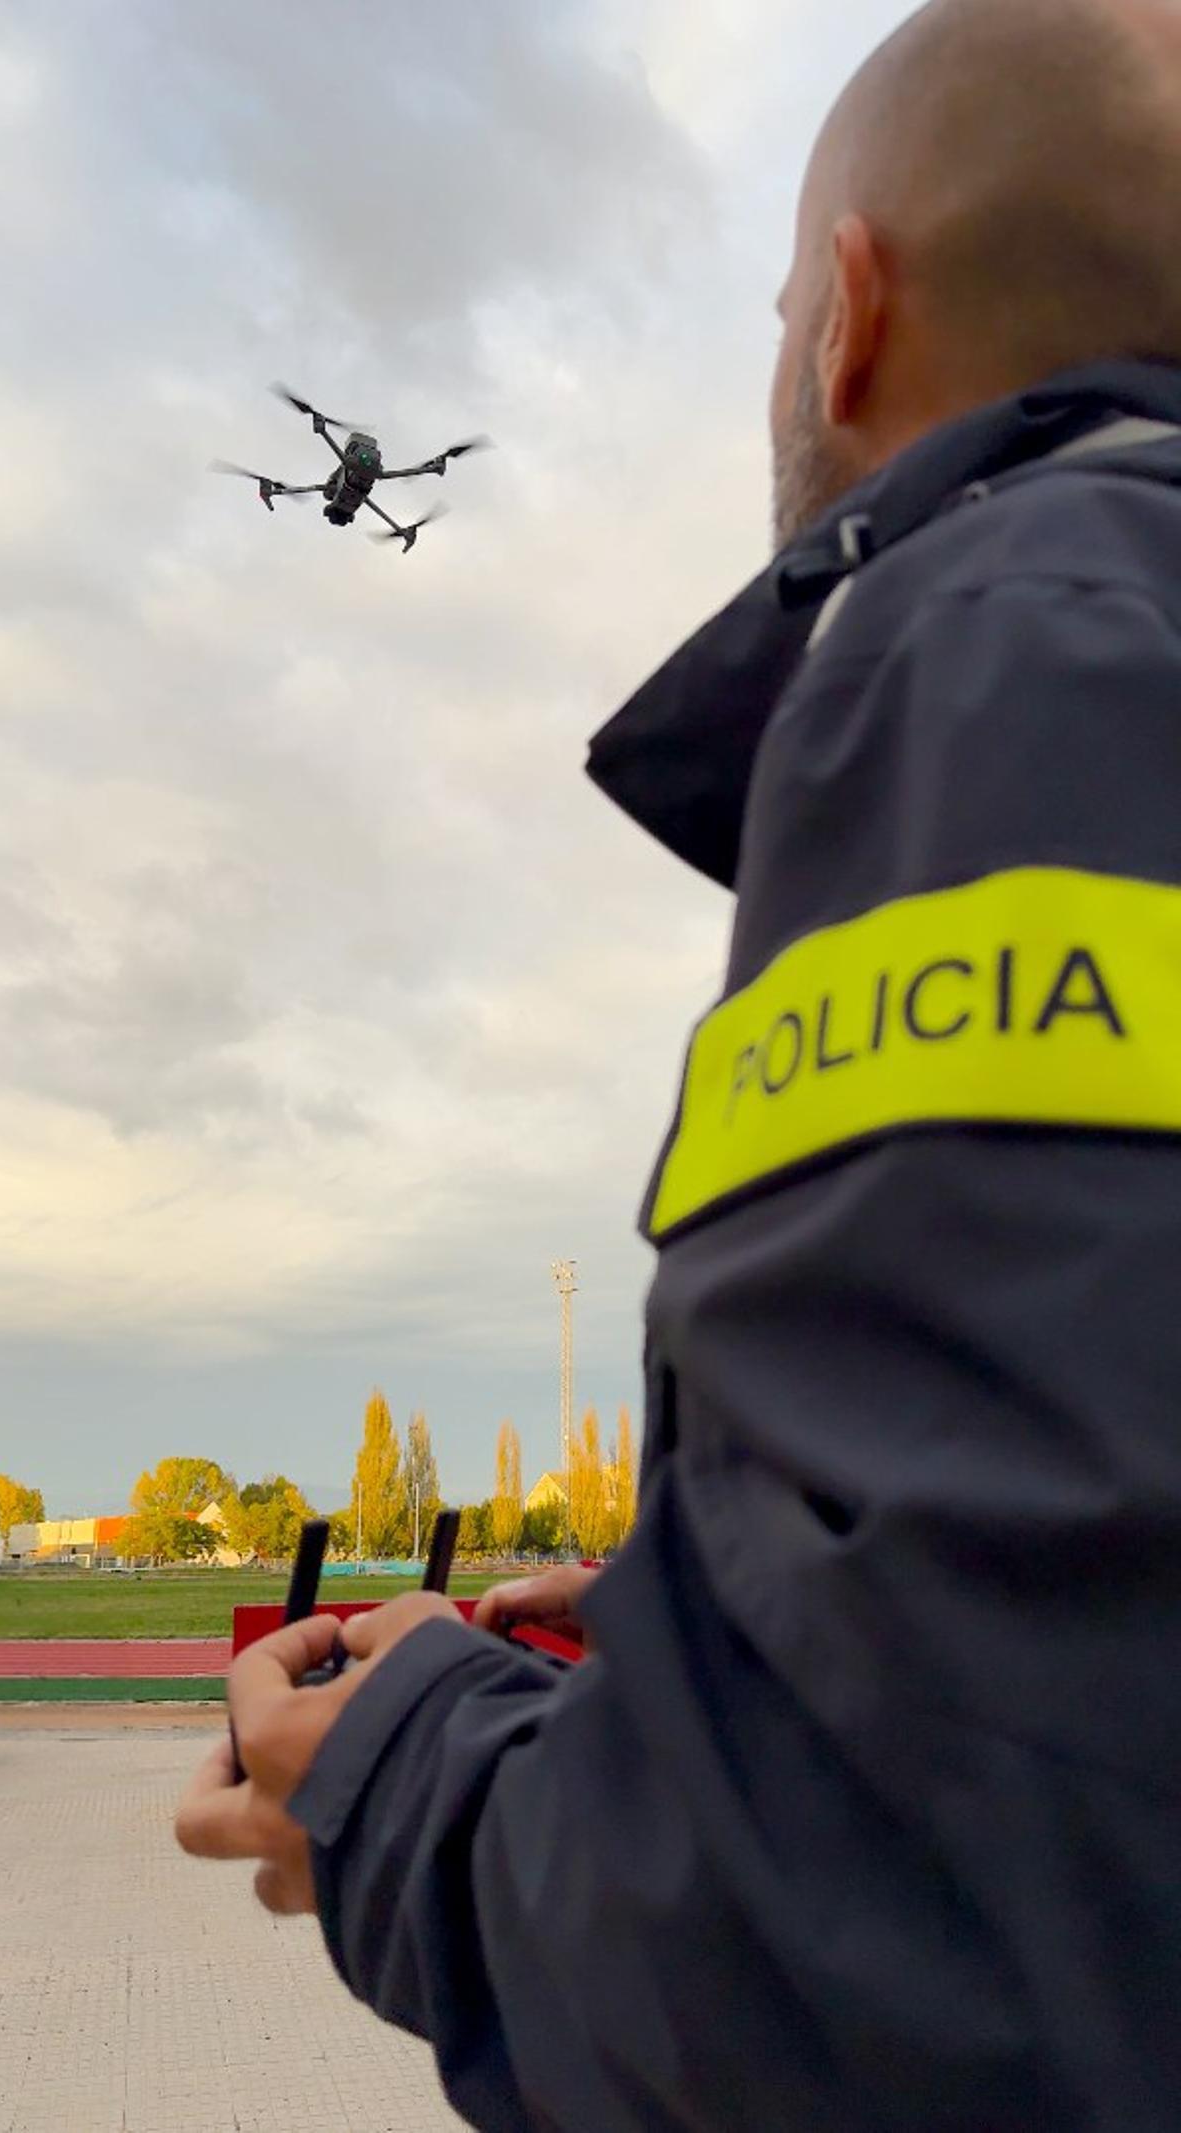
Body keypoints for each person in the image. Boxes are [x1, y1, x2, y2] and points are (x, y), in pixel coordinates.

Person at [176, 1, 1181, 2124]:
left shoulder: (1022, 639)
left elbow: (903, 1962)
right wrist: (731, 1603)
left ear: (848, 313)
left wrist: (403, 1771)